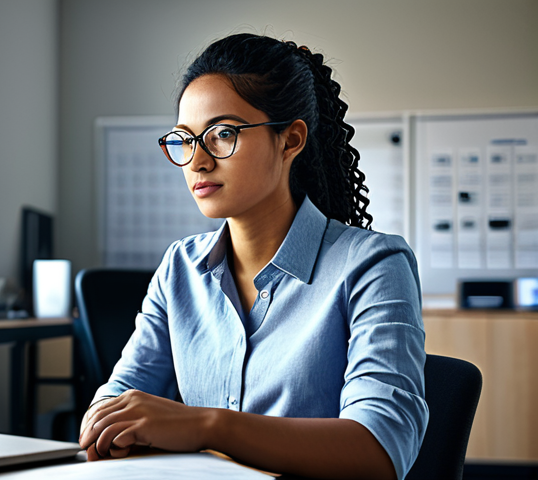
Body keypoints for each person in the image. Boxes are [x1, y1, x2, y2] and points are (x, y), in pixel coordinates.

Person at [79, 33, 427, 480]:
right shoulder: (180, 268)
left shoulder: (373, 265)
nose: (198, 161)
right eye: (185, 140)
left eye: (222, 134)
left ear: (291, 140)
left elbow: (378, 450)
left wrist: (206, 426)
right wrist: (108, 420)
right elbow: (116, 403)